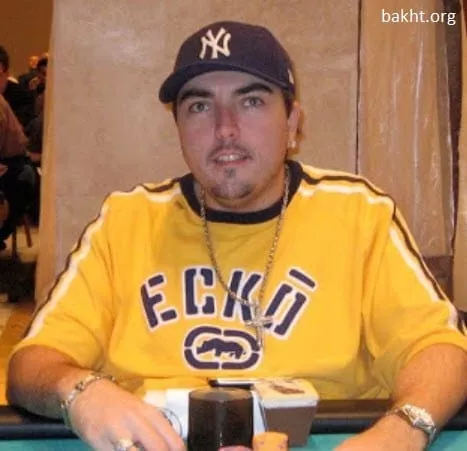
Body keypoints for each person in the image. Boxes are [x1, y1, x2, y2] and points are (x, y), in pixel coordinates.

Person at [6, 20, 467, 451]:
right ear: (179, 128)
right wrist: (82, 392)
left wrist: (399, 433)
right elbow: (33, 362)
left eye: (251, 102)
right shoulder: (126, 220)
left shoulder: (359, 214)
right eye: (200, 106)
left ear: (292, 123)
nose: (225, 128)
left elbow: (441, 349)